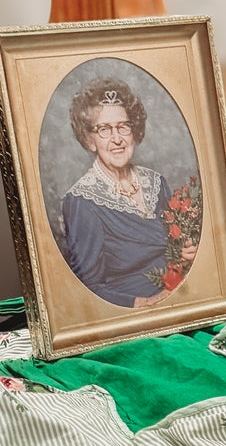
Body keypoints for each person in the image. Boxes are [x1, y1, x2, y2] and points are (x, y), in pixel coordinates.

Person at [61, 77, 174, 308]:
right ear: (89, 140)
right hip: (131, 312)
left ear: (134, 131)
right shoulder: (82, 201)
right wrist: (145, 304)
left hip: (176, 294)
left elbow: (178, 248)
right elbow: (88, 286)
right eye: (104, 129)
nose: (117, 139)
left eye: (124, 126)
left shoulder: (156, 183)